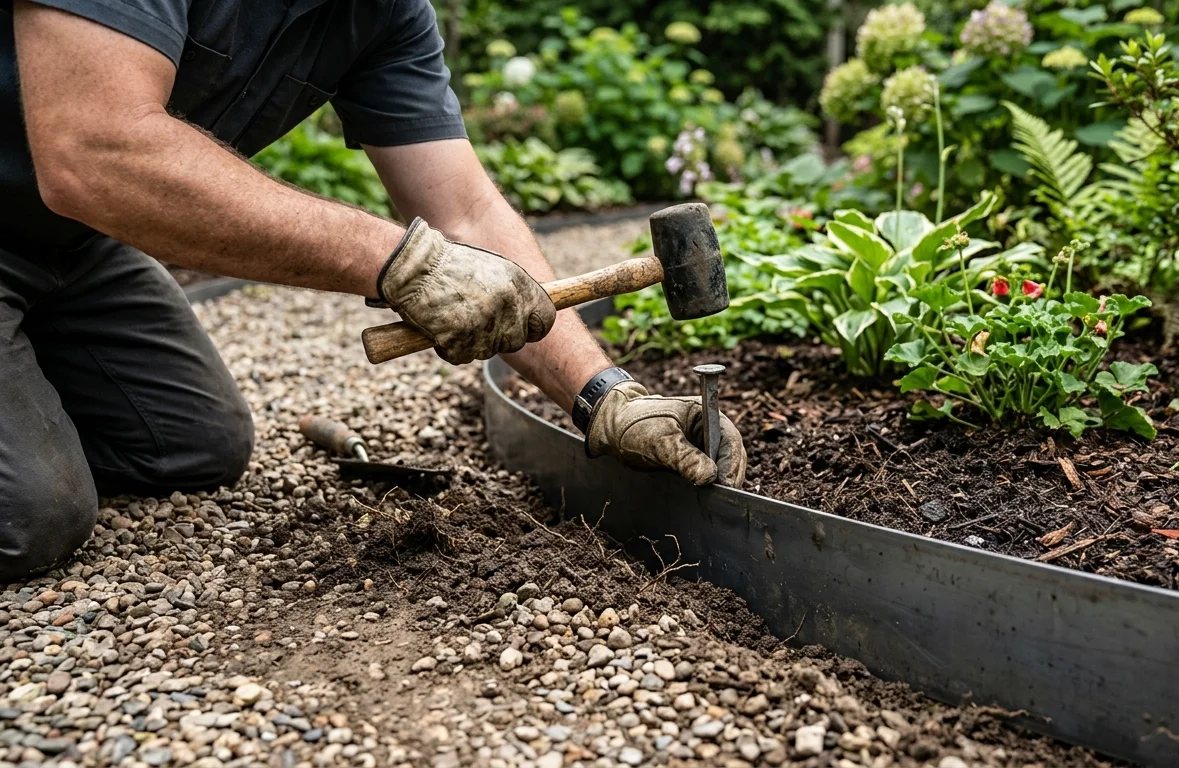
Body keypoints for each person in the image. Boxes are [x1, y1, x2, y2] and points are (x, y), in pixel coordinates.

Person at [0, 0, 746, 581]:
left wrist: (603, 394)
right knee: (35, 512)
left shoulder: (386, 14)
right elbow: (93, 151)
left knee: (190, 446)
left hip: (69, 246)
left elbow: (465, 211)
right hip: (55, 201)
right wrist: (396, 260)